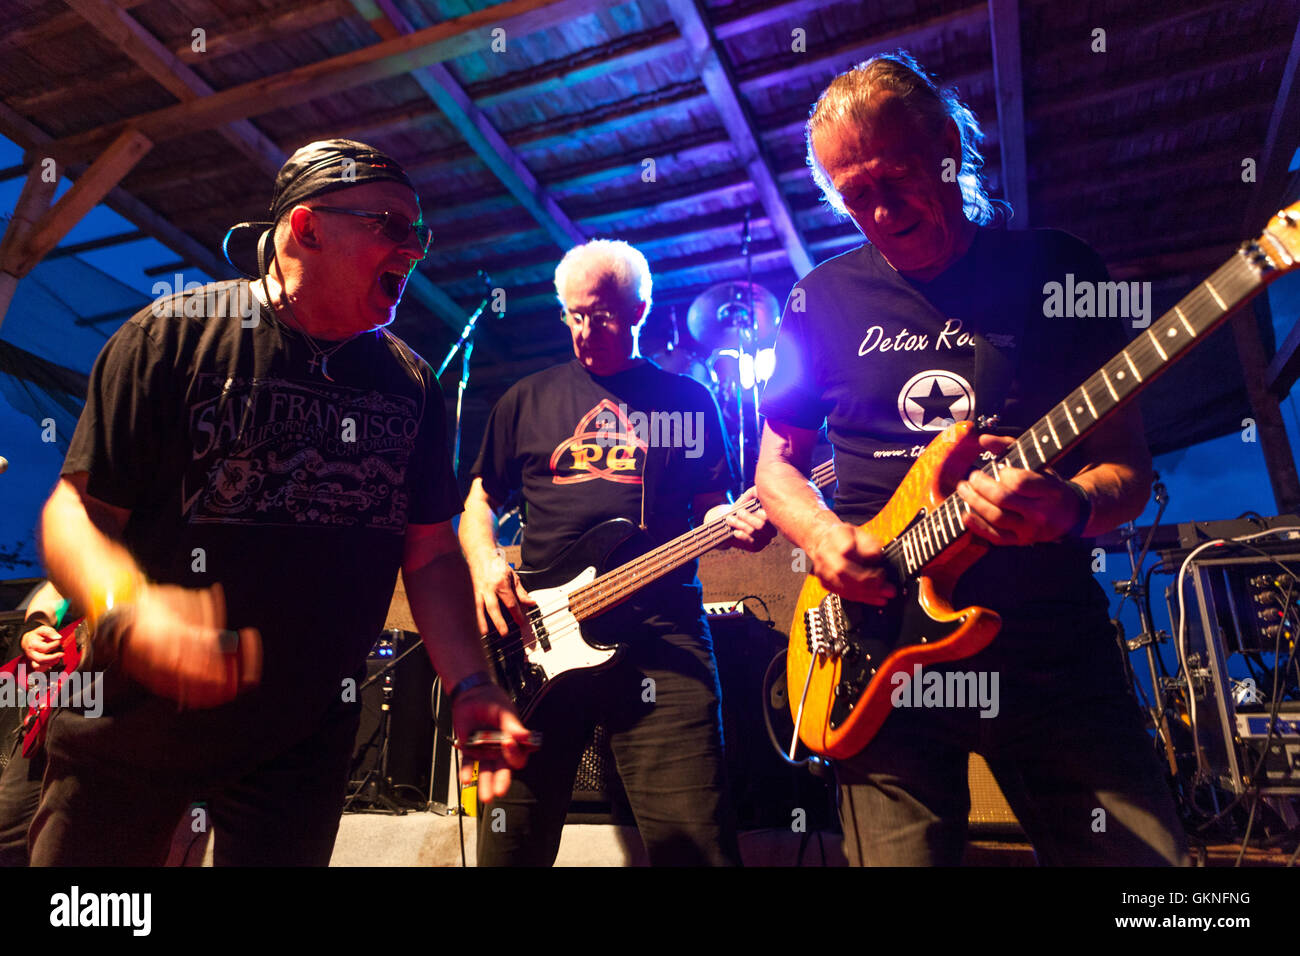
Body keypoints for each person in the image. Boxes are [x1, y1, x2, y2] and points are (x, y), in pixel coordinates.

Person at [30, 139, 530, 866]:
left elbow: (428, 549)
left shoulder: (411, 384)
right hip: (134, 729)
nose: (414, 252)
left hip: (300, 742)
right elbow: (75, 512)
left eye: (418, 233)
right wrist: (128, 608)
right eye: (391, 225)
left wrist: (472, 681)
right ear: (307, 228)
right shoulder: (171, 336)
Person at [755, 53, 1189, 865]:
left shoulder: (1058, 270)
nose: (879, 211)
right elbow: (775, 465)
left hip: (1050, 651)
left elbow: (1126, 464)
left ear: (951, 148)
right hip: (874, 655)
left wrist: (1071, 505)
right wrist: (821, 539)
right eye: (853, 197)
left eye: (897, 177)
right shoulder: (817, 301)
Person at [461, 239, 773, 866]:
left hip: (664, 638)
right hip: (539, 640)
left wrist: (732, 523)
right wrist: (486, 559)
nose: (584, 330)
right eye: (573, 314)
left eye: (600, 314)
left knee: (698, 845)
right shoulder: (524, 399)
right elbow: (477, 499)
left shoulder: (688, 399)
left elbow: (714, 501)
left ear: (639, 310)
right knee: (508, 846)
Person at [0, 581, 72, 866]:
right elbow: (56, 589)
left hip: (136, 702)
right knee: (9, 829)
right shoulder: (101, 538)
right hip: (66, 692)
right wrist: (33, 628)